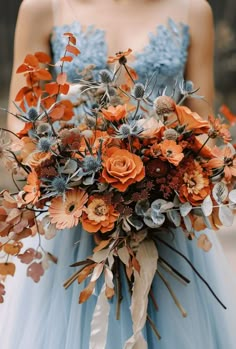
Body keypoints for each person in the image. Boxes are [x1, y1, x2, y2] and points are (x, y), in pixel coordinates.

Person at [1, 0, 236, 348]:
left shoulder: (193, 9)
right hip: (72, 219)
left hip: (165, 220)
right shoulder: (43, 6)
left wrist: (162, 177)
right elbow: (21, 125)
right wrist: (78, 171)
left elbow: (202, 127)